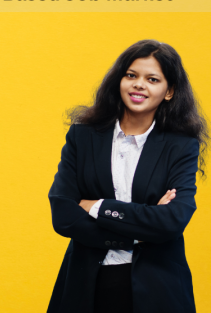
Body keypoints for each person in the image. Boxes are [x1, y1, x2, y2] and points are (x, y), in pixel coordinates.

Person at [47, 40, 208, 313]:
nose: (138, 84)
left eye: (152, 79)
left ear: (168, 91)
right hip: (85, 286)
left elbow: (172, 221)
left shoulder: (181, 145)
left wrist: (97, 207)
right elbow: (63, 215)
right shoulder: (83, 136)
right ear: (119, 80)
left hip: (158, 288)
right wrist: (141, 230)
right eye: (131, 75)